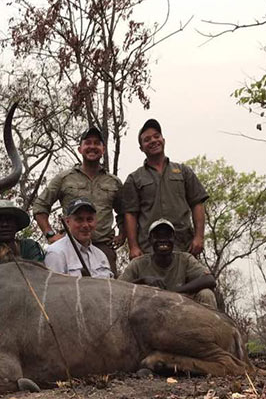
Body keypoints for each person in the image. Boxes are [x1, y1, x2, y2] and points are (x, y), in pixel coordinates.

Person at [33, 126, 124, 275]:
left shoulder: (114, 182)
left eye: (97, 143)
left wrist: (122, 235)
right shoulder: (64, 178)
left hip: (103, 248)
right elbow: (40, 206)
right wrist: (50, 235)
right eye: (88, 143)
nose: (92, 147)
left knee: (108, 288)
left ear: (103, 149)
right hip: (71, 247)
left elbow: (125, 212)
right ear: (80, 149)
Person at [122, 118, 209, 259]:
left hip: (184, 247)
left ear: (163, 140)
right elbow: (130, 214)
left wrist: (199, 237)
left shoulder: (183, 172)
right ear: (141, 148)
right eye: (147, 139)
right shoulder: (134, 178)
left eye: (156, 136)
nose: (153, 141)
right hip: (149, 249)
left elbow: (197, 203)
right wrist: (133, 247)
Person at [119, 219, 217, 308]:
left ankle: (210, 323)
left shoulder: (185, 259)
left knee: (206, 294)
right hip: (148, 309)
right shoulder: (138, 264)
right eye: (157, 236)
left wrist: (174, 293)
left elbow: (209, 279)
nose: (163, 239)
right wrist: (142, 281)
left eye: (167, 235)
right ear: (150, 240)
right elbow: (118, 287)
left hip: (181, 307)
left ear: (174, 239)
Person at [44, 198, 113, 278]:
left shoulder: (101, 256)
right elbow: (53, 285)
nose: (85, 225)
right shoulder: (56, 253)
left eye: (89, 220)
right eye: (79, 220)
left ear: (95, 221)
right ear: (67, 222)